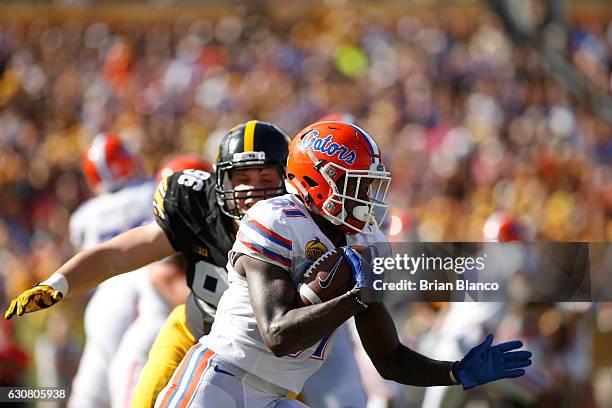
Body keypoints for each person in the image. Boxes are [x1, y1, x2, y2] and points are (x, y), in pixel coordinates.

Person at [155, 121, 533, 407]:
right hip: (219, 380)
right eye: (358, 184)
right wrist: (356, 296)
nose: (367, 196)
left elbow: (389, 358)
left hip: (276, 394)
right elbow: (278, 336)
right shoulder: (274, 218)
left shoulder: (365, 240)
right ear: (321, 180)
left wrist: (454, 371)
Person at [6, 121, 370, 408]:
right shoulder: (200, 208)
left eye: (265, 180)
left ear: (289, 182)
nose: (252, 191)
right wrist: (60, 282)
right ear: (221, 181)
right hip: (195, 333)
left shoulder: (307, 225)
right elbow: (121, 253)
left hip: (269, 364)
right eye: (241, 179)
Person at [67, 132, 157, 408]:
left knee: (87, 399)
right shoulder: (152, 191)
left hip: (103, 308)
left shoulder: (84, 217)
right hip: (146, 304)